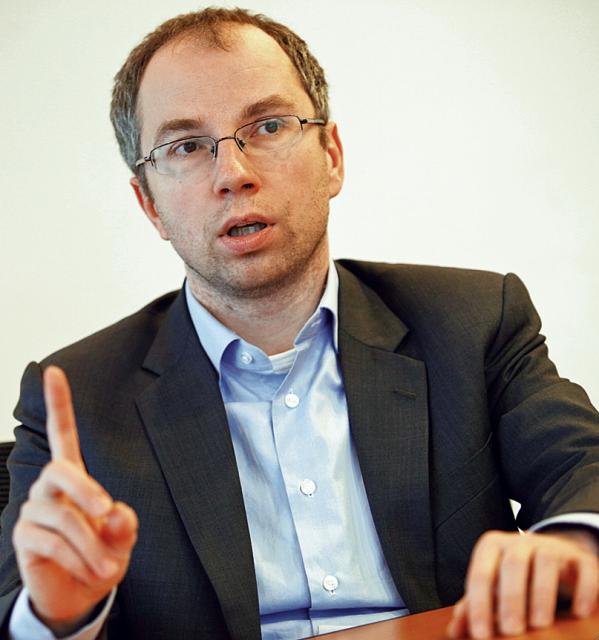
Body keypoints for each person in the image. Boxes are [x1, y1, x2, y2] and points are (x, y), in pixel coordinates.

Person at [0, 7, 598, 640]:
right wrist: (60, 614)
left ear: (331, 156)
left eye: (268, 126)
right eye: (186, 147)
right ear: (149, 203)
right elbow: (21, 599)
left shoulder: (472, 322)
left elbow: (581, 466)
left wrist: (572, 544)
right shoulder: (76, 400)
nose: (234, 174)